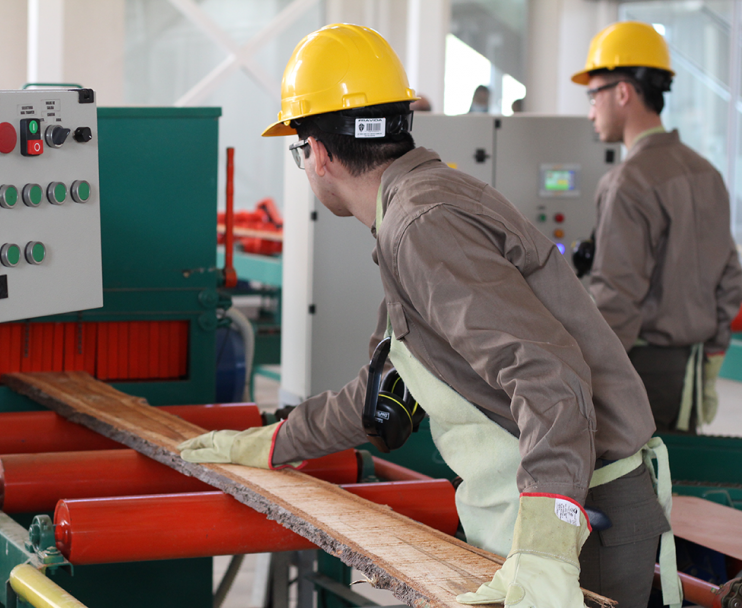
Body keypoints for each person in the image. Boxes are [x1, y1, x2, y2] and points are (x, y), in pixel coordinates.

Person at [180, 24, 680, 608]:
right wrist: (274, 442)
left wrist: (545, 552)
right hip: (571, 513)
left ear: (315, 153)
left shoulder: (421, 226)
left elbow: (548, 374)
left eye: (299, 151)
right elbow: (386, 390)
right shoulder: (418, 212)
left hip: (581, 529)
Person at [572, 21, 742, 434]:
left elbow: (616, 300)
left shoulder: (626, 182)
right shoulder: (707, 173)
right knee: (679, 486)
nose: (591, 109)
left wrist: (584, 381)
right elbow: (731, 278)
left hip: (640, 371)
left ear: (623, 92)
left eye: (594, 94)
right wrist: (713, 353)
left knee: (634, 493)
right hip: (690, 369)